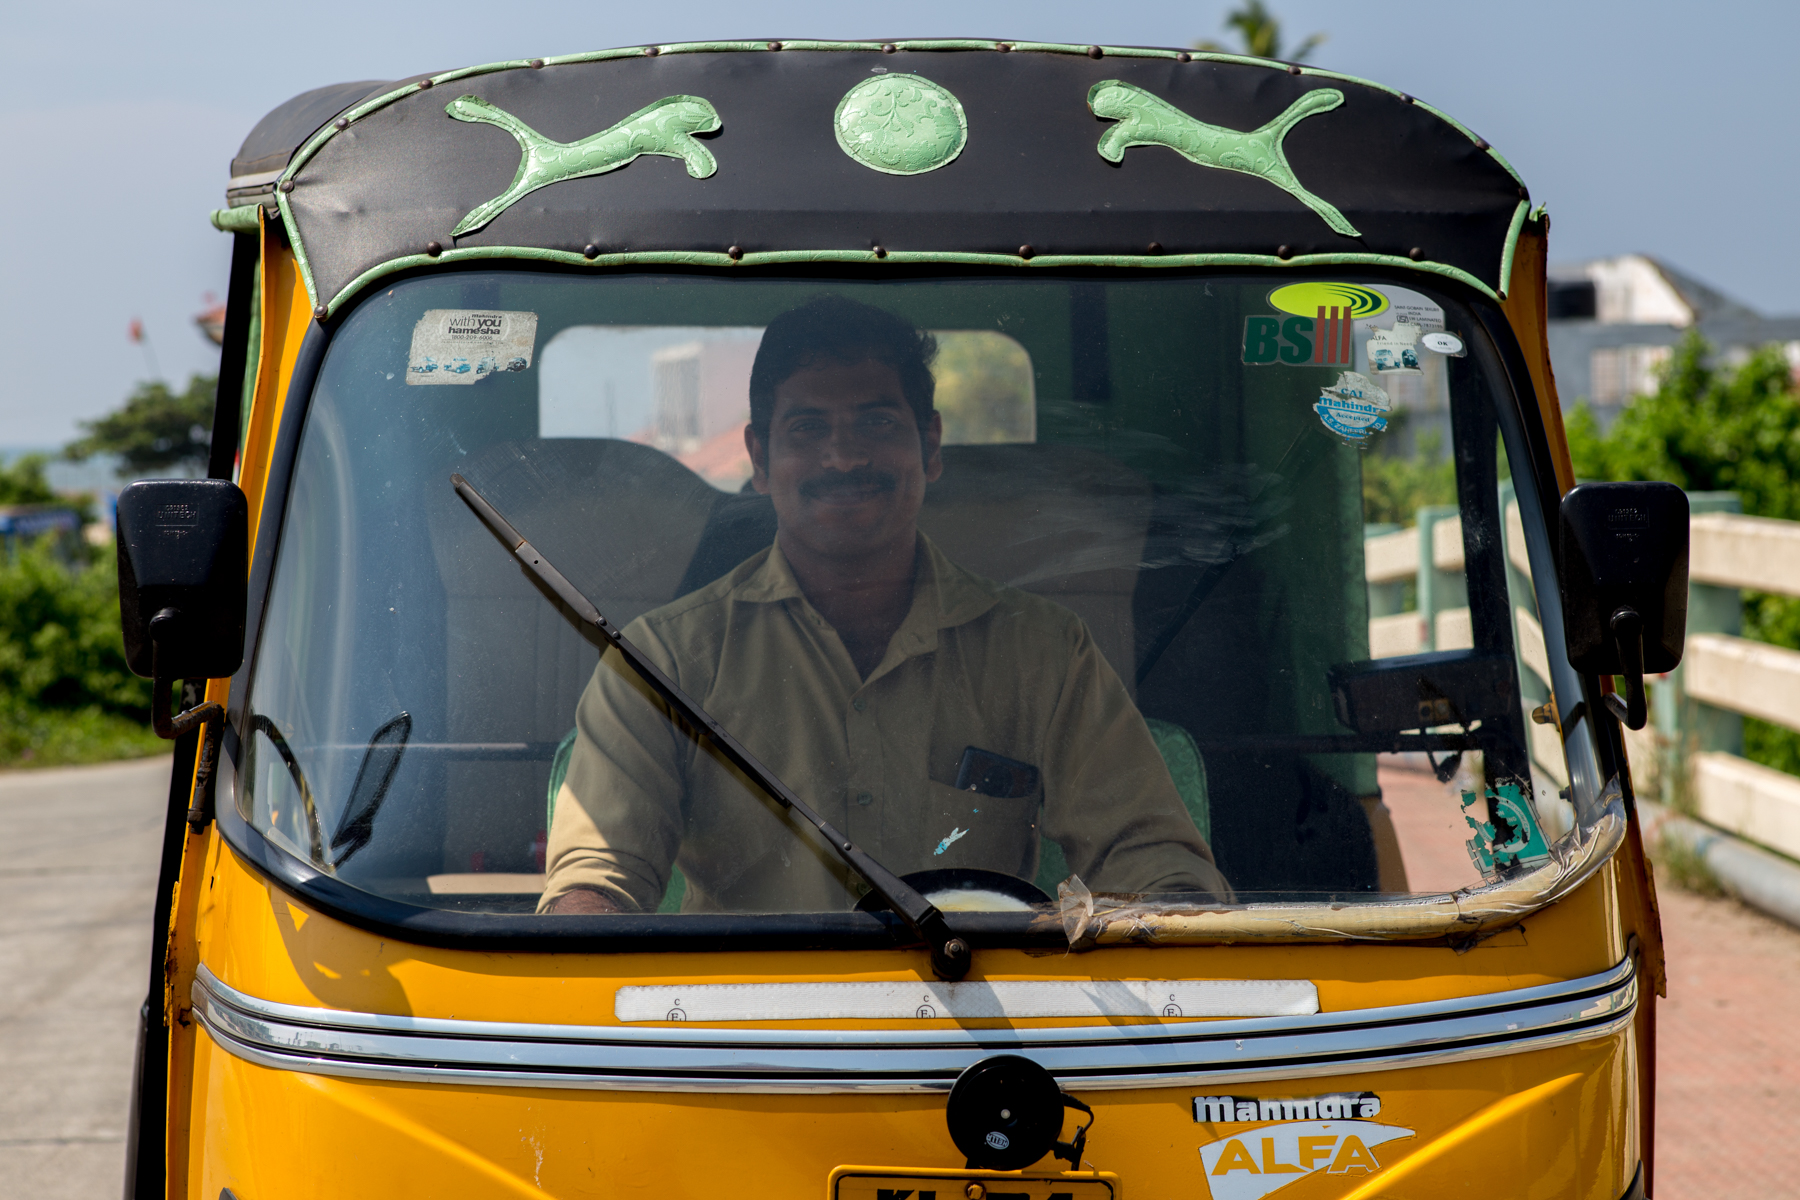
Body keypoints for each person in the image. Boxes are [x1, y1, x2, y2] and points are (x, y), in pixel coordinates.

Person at [540, 296, 1229, 914]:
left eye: (875, 422)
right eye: (808, 428)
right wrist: (587, 921)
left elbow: (1150, 858)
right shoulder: (663, 659)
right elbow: (598, 879)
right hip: (743, 1038)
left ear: (929, 446)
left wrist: (1173, 920)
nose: (843, 458)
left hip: (982, 1032)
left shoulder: (1044, 651)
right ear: (759, 456)